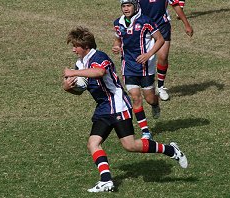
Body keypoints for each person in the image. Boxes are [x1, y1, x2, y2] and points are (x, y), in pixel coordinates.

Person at [63, 26, 188, 193]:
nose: (73, 50)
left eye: (75, 46)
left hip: (118, 106)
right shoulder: (80, 64)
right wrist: (68, 87)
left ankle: (171, 149)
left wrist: (72, 72)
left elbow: (100, 71)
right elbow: (80, 89)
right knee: (93, 143)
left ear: (85, 46)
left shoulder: (99, 57)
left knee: (130, 145)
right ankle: (106, 180)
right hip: (103, 108)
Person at [112, 0, 164, 140]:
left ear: (135, 6)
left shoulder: (146, 21)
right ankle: (145, 131)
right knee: (135, 97)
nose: (126, 9)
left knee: (149, 98)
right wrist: (116, 46)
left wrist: (148, 55)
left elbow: (160, 39)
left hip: (145, 67)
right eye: (124, 6)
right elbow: (118, 40)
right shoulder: (118, 23)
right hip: (128, 66)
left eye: (129, 6)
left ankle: (155, 103)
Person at [139, 0, 193, 101]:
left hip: (162, 25)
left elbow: (175, 5)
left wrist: (186, 24)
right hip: (143, 26)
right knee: (143, 58)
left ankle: (160, 87)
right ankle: (145, 86)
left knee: (163, 57)